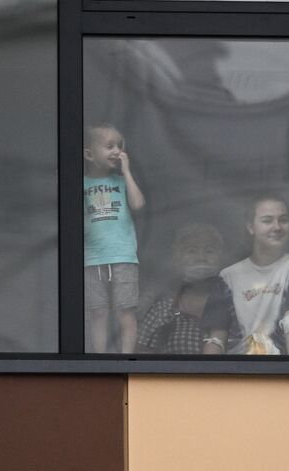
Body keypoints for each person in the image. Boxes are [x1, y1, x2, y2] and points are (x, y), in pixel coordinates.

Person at [211, 194, 289, 356]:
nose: (277, 227)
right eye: (267, 221)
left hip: (280, 367)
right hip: (238, 370)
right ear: (251, 227)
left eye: (283, 220)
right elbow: (215, 339)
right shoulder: (228, 276)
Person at [84, 121, 147, 354]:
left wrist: (127, 172)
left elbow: (138, 204)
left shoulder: (121, 182)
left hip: (123, 255)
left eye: (119, 146)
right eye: (109, 146)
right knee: (98, 311)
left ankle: (126, 358)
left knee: (125, 311)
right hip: (91, 258)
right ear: (89, 154)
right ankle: (99, 358)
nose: (116, 151)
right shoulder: (81, 184)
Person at [137, 223, 234, 355]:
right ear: (178, 259)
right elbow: (141, 360)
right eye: (192, 251)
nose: (201, 258)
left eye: (209, 251)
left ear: (220, 258)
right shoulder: (163, 310)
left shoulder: (234, 306)